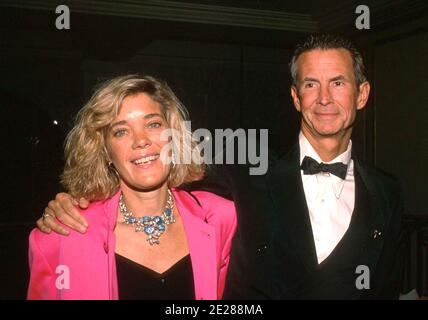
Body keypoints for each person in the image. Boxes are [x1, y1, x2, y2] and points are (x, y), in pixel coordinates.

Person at [36, 34, 404, 299]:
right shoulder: (242, 176)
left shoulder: (388, 192)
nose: (324, 98)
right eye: (311, 84)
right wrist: (74, 200)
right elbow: (148, 169)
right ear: (295, 96)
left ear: (362, 94)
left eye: (338, 82)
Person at [27, 74, 237, 300]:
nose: (141, 140)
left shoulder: (220, 219)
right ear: (105, 151)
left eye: (153, 124)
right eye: (121, 131)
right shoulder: (59, 238)